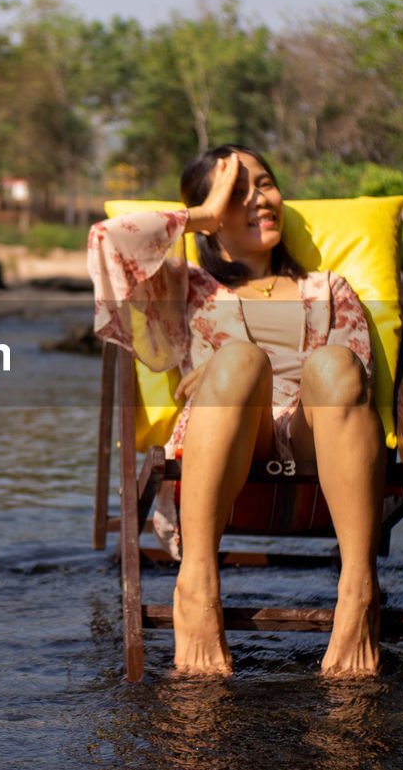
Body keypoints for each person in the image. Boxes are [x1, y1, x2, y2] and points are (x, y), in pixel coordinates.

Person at [87, 144, 385, 677]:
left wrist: (290, 370)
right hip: (225, 440)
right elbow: (108, 241)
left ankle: (358, 592)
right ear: (210, 216)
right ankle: (197, 585)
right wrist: (202, 216)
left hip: (316, 441)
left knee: (335, 364)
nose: (259, 199)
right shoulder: (185, 288)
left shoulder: (329, 288)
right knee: (239, 362)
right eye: (236, 192)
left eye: (265, 184)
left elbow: (352, 387)